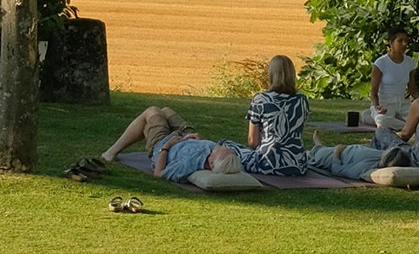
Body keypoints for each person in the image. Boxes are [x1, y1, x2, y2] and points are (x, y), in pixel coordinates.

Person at [222, 54, 310, 176]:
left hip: (267, 164)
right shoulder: (302, 100)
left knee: (225, 144)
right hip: (297, 165)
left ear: (271, 74)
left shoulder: (261, 100)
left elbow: (253, 142)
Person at [100, 106, 241, 181]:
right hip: (188, 137)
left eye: (217, 151)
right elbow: (210, 148)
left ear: (211, 163)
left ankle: (110, 153)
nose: (218, 147)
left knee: (152, 111)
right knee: (166, 110)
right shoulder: (218, 155)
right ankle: (151, 127)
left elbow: (159, 174)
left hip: (163, 143)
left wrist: (166, 147)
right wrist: (196, 138)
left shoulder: (186, 166)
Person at [364, 28, 419, 129]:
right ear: (391, 43)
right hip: (385, 103)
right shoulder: (380, 63)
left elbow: (412, 89)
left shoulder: (410, 62)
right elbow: (373, 92)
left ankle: (370, 116)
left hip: (403, 104)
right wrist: (377, 106)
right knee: (382, 121)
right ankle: (408, 126)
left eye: (406, 41)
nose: (404, 44)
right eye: (400, 41)